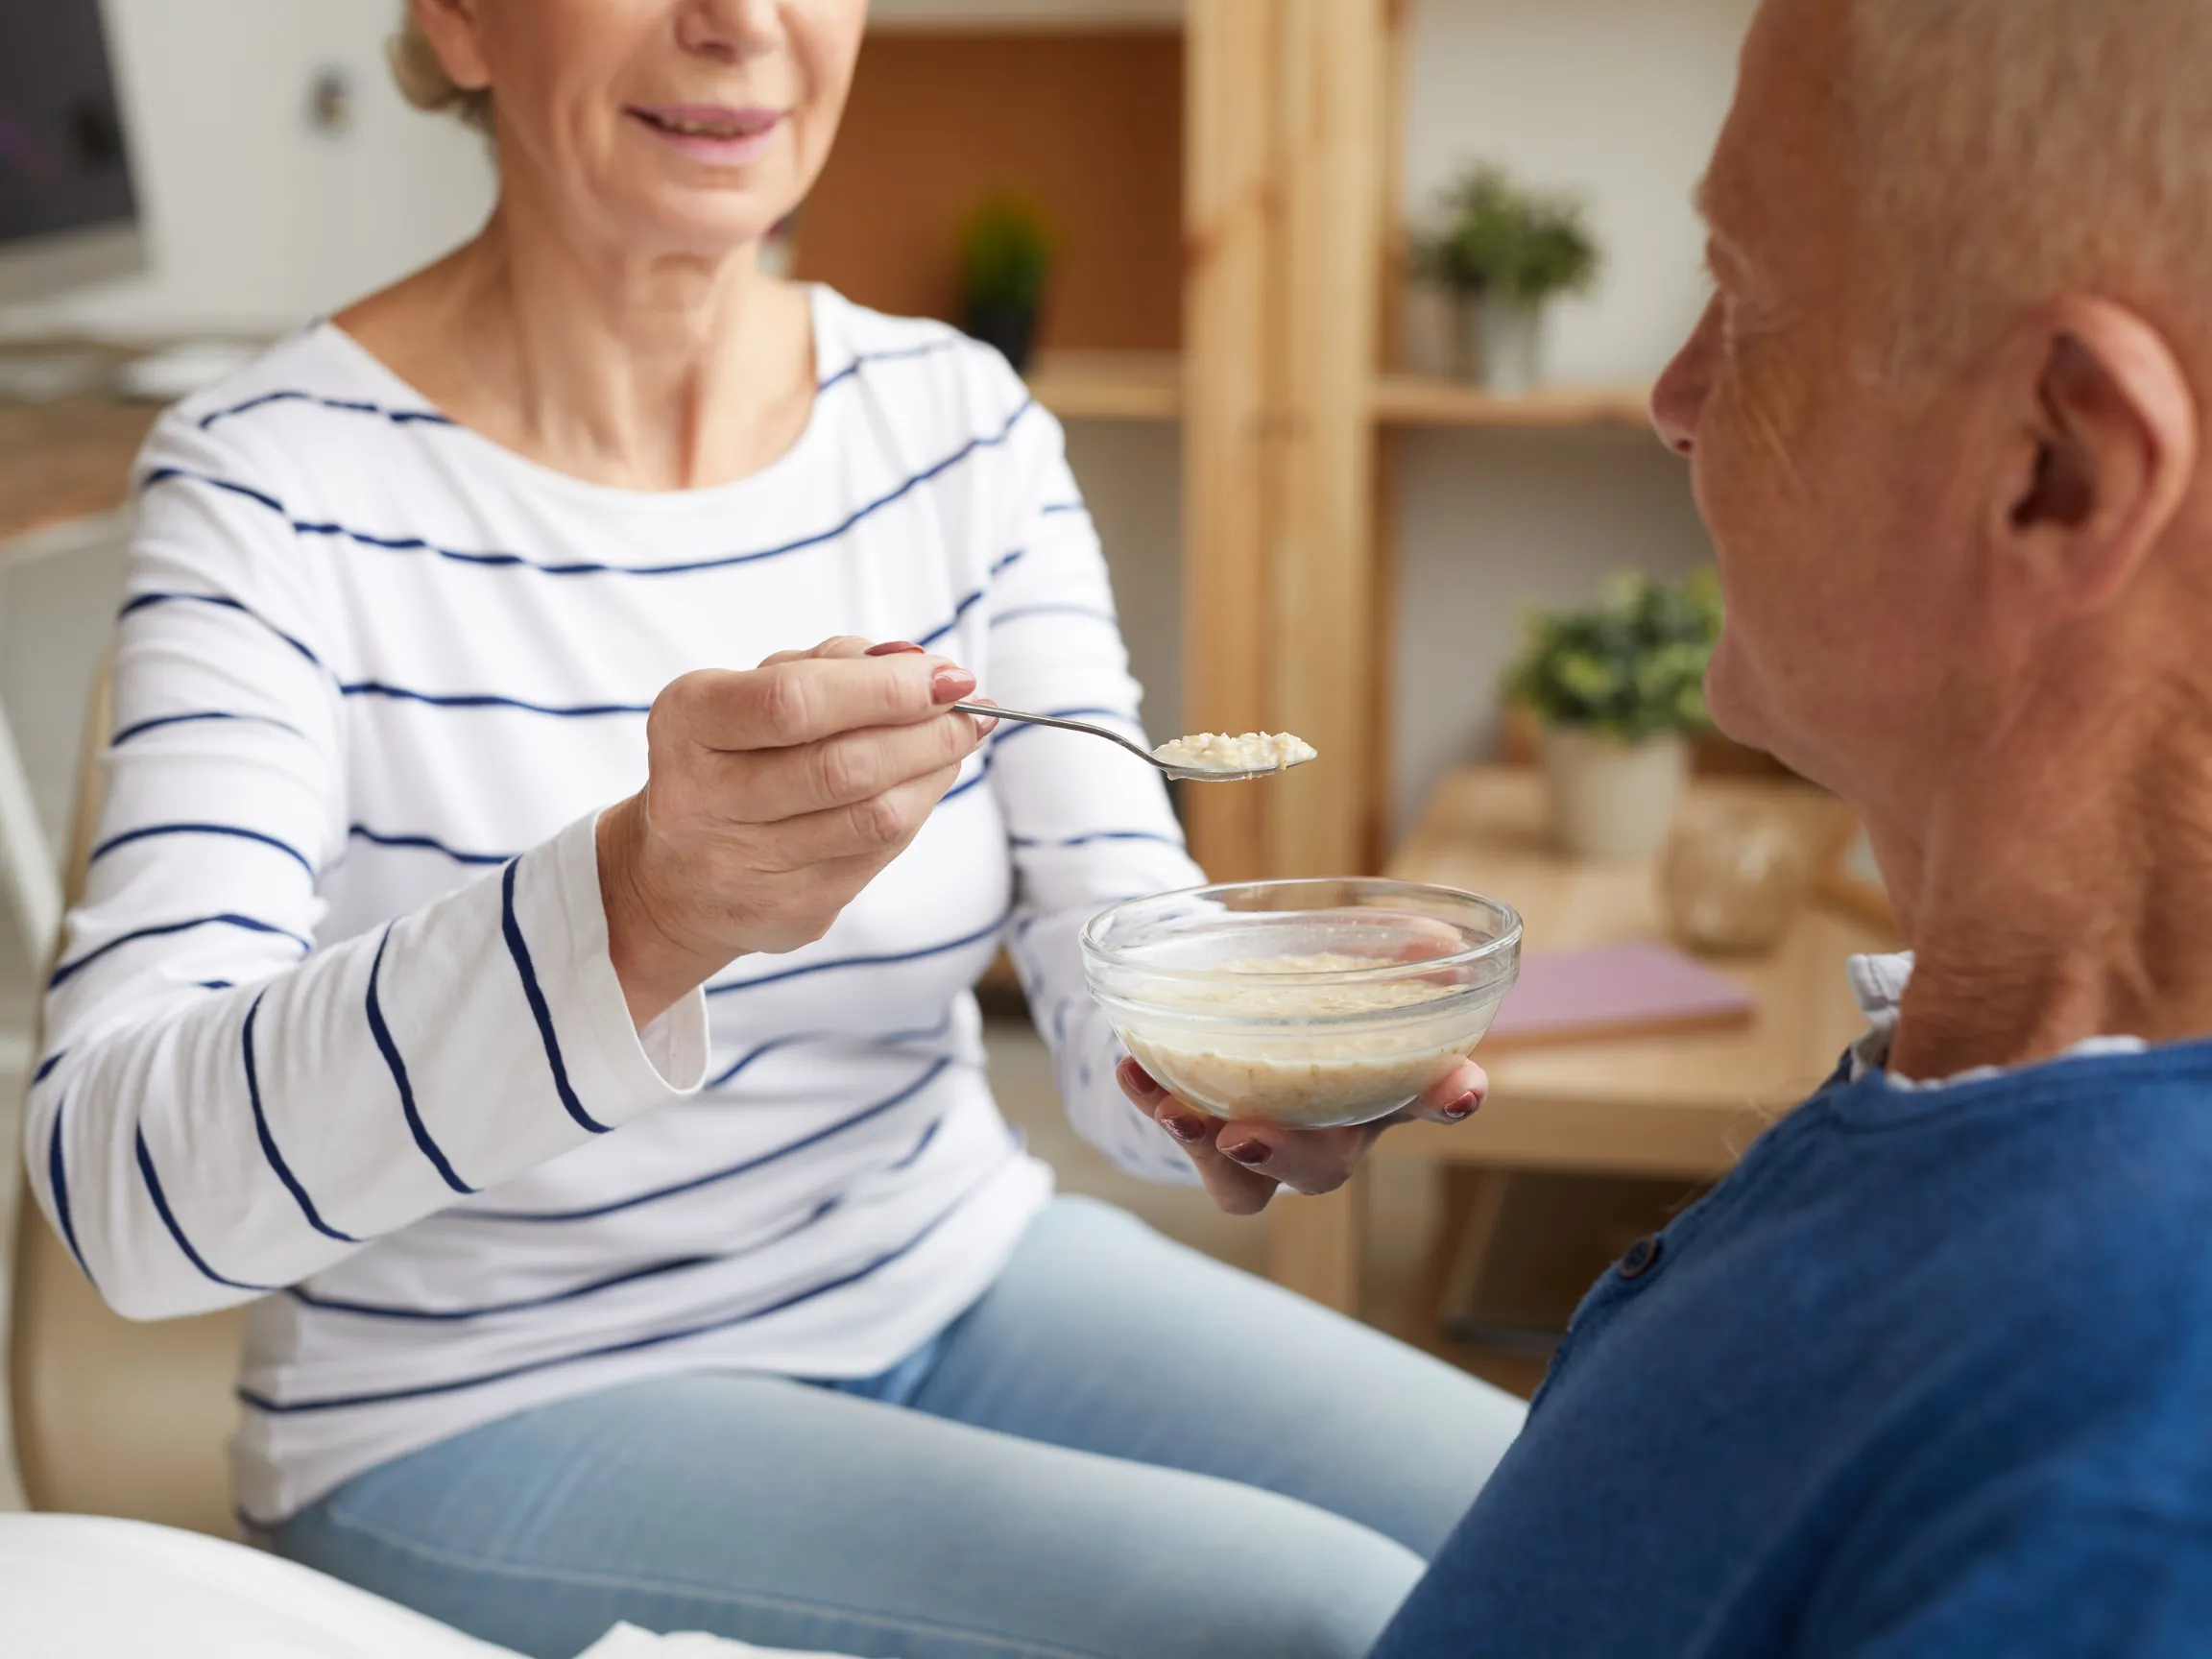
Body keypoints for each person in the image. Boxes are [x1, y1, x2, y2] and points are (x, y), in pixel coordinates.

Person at [19, 4, 1526, 1657]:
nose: (738, 21)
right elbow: (126, 1198)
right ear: (458, 23)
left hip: (949, 1266)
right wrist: (641, 908)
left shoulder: (958, 423)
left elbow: (1118, 949)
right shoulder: (267, 487)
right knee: (1330, 1626)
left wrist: (1234, 1075)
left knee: (1575, 1512)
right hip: (479, 1410)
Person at [1367, 0, 2212, 1651]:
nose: (1674, 398)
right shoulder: (1989, 1112)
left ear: (2057, 469)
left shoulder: (2125, 1495)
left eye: (1745, 303)